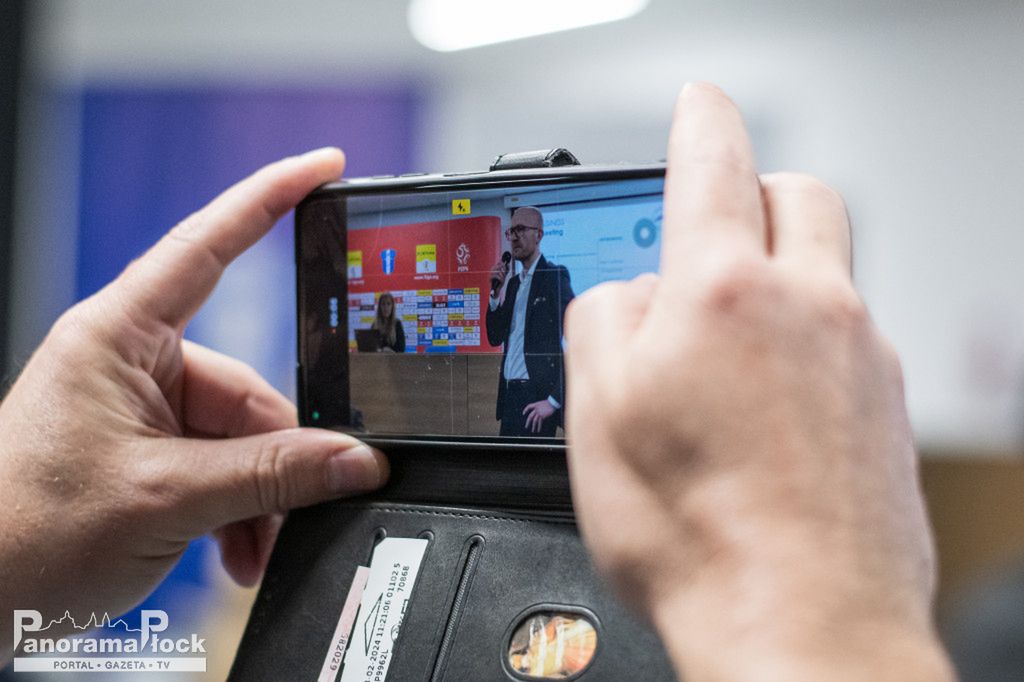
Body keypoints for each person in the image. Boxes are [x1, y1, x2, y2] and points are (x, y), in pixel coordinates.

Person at [0, 83, 956, 680]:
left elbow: (566, 351)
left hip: (549, 413)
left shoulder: (572, 279)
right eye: (520, 233)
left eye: (532, 233)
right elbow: (496, 338)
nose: (526, 239)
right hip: (495, 412)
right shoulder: (501, 277)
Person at [485, 206, 574, 436]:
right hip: (509, 397)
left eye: (521, 229)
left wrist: (554, 401)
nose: (514, 237)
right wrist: (495, 295)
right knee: (507, 469)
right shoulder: (513, 284)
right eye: (511, 231)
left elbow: (578, 339)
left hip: (536, 400)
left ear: (539, 234)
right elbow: (495, 337)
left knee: (530, 469)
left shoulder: (554, 276)